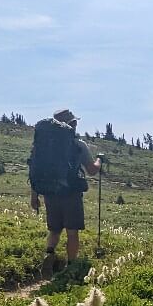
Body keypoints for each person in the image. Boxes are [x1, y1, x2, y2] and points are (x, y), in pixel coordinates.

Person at [28, 108, 101, 275]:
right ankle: (71, 265)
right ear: (71, 125)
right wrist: (99, 161)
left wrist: (34, 195)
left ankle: (49, 253)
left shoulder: (40, 145)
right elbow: (91, 170)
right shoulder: (77, 144)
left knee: (54, 229)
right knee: (72, 231)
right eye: (74, 122)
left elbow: (35, 170)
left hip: (49, 192)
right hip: (70, 193)